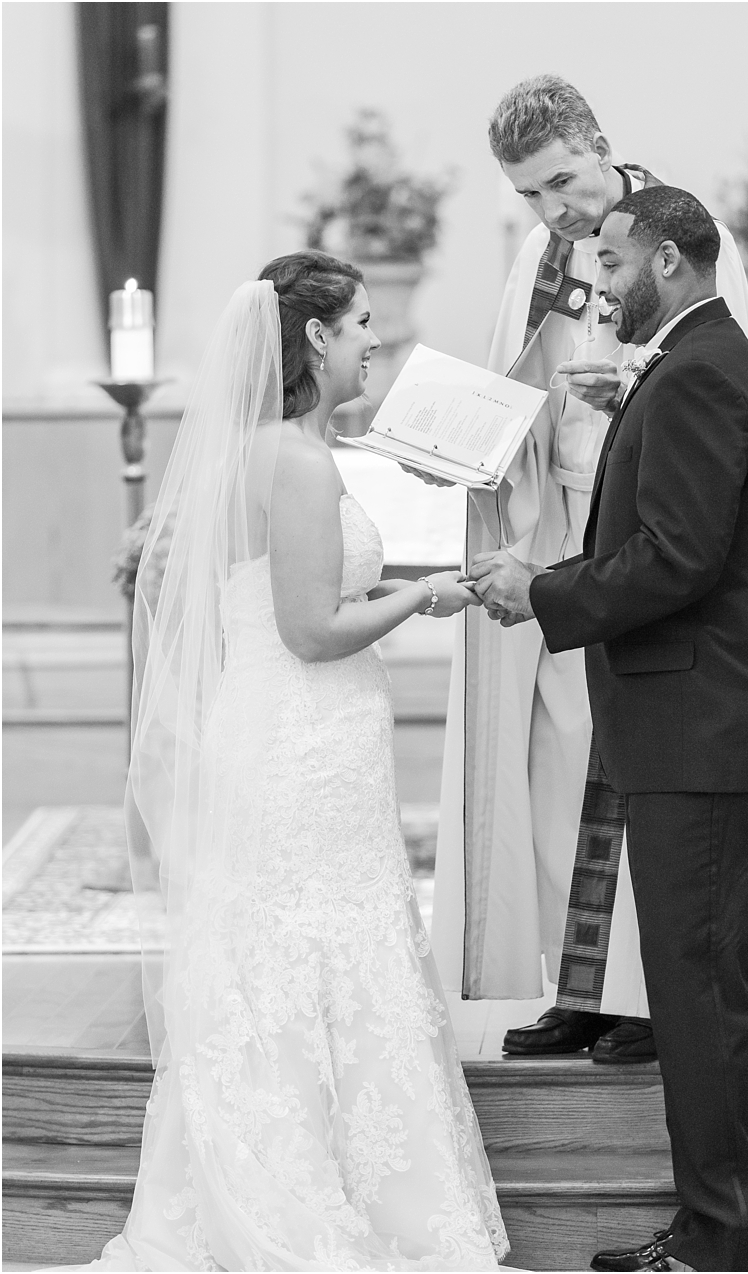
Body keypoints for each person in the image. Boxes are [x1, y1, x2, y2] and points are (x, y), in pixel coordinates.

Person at [97, 253, 507, 1268]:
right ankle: (318, 1199)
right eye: (363, 322)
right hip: (305, 736)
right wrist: (426, 593)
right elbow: (314, 630)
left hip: (279, 730)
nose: (378, 339)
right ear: (316, 336)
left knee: (276, 952)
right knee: (320, 943)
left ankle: (272, 1165)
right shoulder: (300, 461)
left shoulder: (255, 450)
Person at [426, 75, 748, 1066]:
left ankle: (651, 996)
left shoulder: (675, 236)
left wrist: (628, 396)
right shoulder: (536, 253)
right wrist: (461, 434)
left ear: (598, 145)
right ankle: (583, 985)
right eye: (529, 194)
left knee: (646, 775)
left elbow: (720, 387)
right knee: (569, 769)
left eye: (560, 181)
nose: (553, 210)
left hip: (644, 532)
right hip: (560, 523)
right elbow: (512, 375)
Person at [470, 187, 748, 1273]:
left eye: (612, 262)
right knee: (704, 983)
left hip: (707, 725)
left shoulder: (699, 371)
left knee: (701, 991)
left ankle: (721, 1244)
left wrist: (544, 593)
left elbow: (675, 558)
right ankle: (718, 1226)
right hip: (702, 721)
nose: (599, 284)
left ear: (665, 260)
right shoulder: (688, 363)